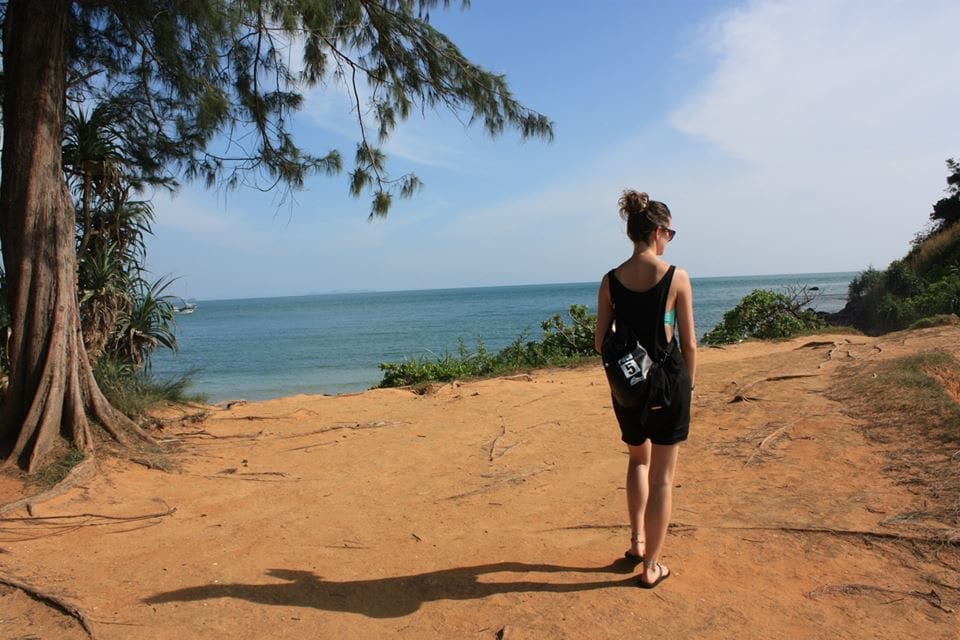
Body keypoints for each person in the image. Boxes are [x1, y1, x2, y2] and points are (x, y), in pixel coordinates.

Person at [594, 190, 697, 589]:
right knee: (663, 479)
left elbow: (601, 342)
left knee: (638, 461)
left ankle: (636, 543)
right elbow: (688, 343)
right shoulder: (676, 276)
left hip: (628, 386)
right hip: (669, 384)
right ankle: (652, 564)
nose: (669, 238)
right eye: (669, 232)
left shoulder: (610, 281)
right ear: (657, 231)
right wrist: (689, 384)